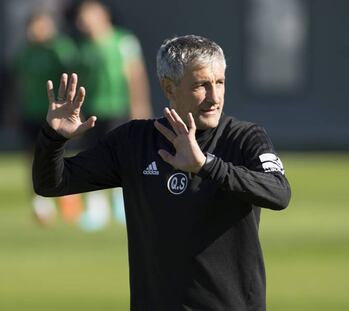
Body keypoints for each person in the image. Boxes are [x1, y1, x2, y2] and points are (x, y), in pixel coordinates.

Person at [33, 35, 291, 310]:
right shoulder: (134, 141)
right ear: (169, 87)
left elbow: (279, 192)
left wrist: (207, 165)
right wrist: (53, 138)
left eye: (219, 83)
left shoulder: (244, 138)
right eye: (201, 85)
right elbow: (52, 183)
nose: (214, 97)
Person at [74, 0, 152, 229]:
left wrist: (140, 105)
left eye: (88, 15)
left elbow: (136, 75)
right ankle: (96, 208)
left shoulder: (124, 41)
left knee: (122, 156)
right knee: (92, 156)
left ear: (101, 16)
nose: (84, 21)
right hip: (92, 111)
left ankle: (123, 204)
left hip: (119, 107)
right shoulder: (83, 47)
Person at [13, 8, 83, 226]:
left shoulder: (60, 49)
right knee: (32, 157)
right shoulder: (25, 53)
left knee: (63, 153)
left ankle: (69, 199)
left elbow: (74, 75)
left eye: (41, 26)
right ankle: (40, 203)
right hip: (30, 112)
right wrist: (15, 109)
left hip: (56, 115)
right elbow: (20, 83)